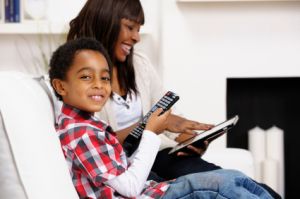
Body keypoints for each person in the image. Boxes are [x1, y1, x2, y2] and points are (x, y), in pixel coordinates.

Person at [65, 1, 281, 198]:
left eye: (138, 29)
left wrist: (188, 140)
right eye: (130, 27)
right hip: (127, 167)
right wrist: (150, 126)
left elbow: (165, 117)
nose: (136, 37)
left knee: (245, 185)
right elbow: (97, 138)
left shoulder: (139, 64)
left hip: (161, 155)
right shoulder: (81, 79)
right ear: (105, 21)